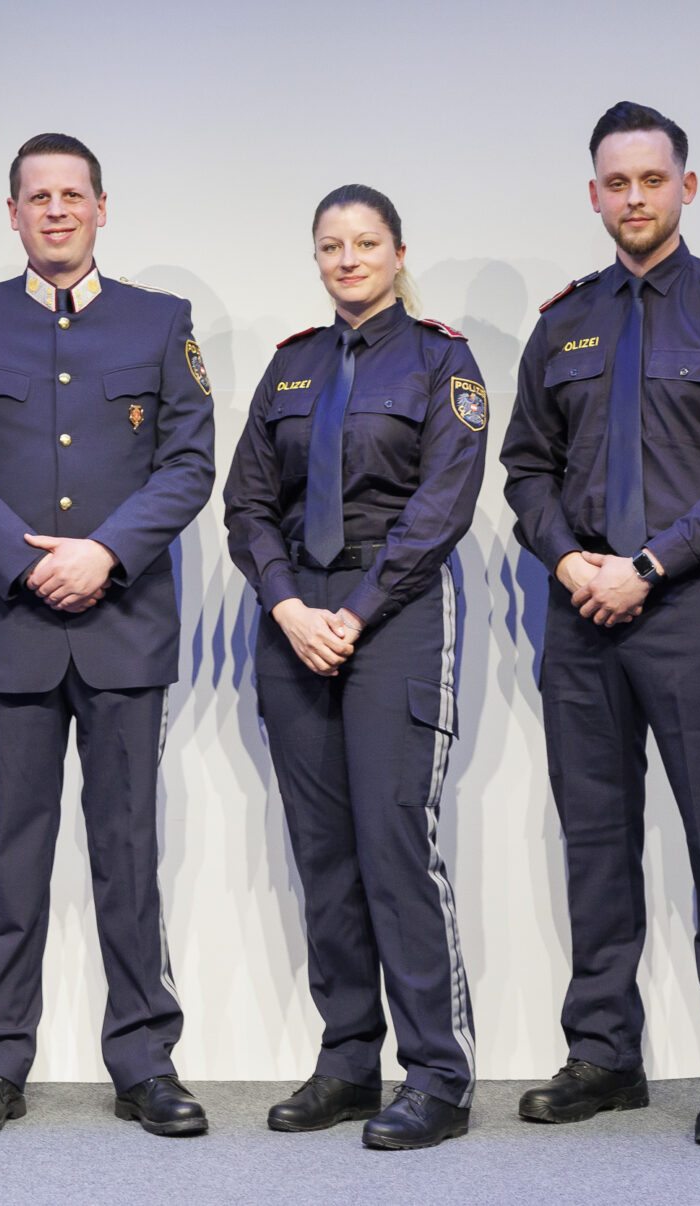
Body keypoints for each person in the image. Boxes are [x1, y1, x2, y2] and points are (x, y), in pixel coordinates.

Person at [500, 101, 700, 1146]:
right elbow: (523, 468)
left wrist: (647, 564)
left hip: (692, 612)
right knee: (594, 842)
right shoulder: (562, 322)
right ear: (593, 195)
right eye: (614, 184)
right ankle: (602, 1053)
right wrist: (569, 557)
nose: (633, 199)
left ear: (685, 187)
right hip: (580, 618)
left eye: (651, 181)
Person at [0, 132, 216, 1138]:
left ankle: (144, 1061)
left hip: (123, 624)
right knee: (11, 855)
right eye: (35, 197)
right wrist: (28, 558)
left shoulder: (158, 322)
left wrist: (104, 555)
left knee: (127, 854)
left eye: (71, 195)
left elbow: (185, 464)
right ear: (11, 214)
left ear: (99, 208)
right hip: (12, 624)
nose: (54, 211)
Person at [223, 185, 484, 1151]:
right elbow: (247, 503)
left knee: (393, 841)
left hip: (397, 617)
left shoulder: (441, 359)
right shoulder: (291, 366)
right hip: (295, 625)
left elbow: (441, 506)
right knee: (322, 852)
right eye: (331, 245)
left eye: (365, 242)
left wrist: (355, 612)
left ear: (398, 250)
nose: (347, 259)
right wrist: (291, 606)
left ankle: (440, 1075)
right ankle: (346, 1061)